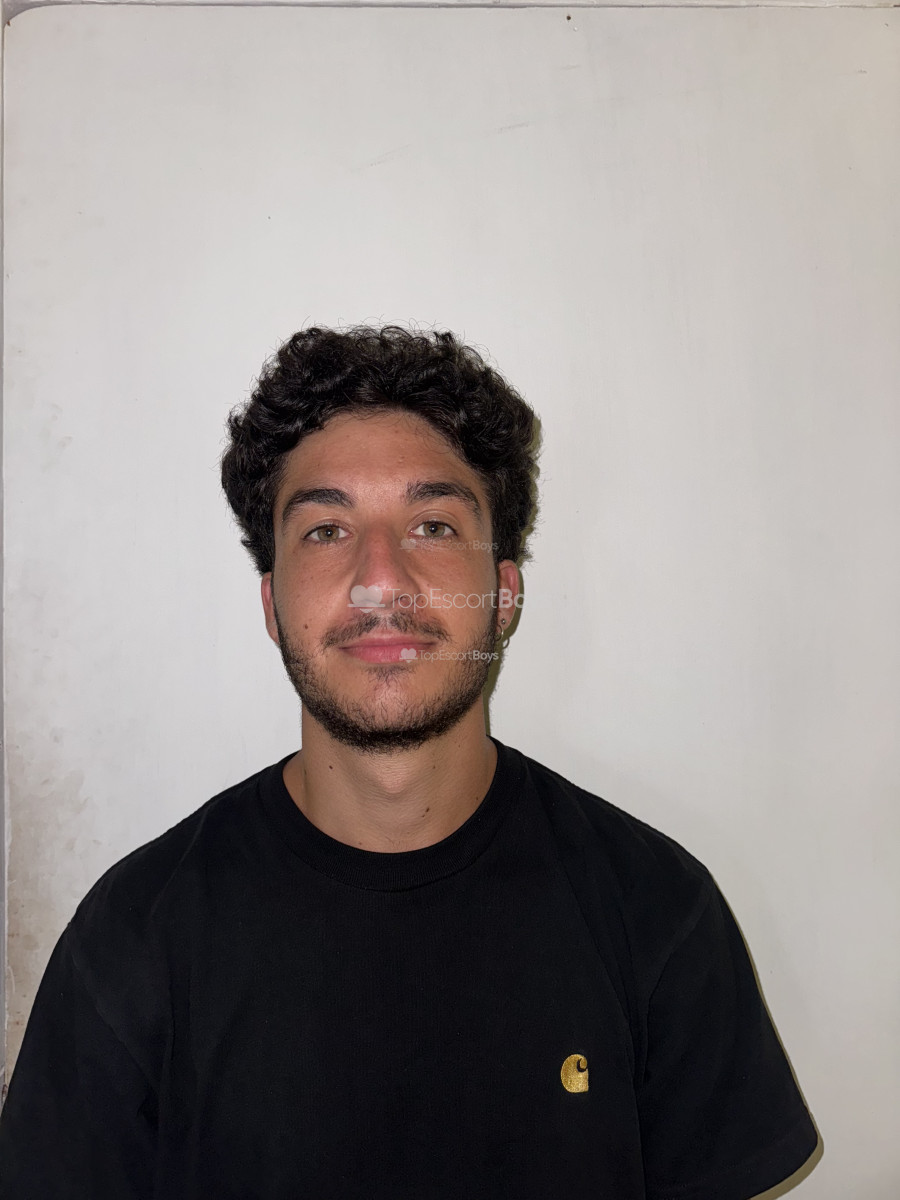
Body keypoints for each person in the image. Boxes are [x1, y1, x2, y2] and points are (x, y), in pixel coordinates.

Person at [0, 326, 818, 1198]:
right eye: (326, 530)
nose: (381, 580)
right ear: (272, 603)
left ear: (503, 594)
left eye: (433, 525)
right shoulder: (134, 939)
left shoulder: (657, 913)